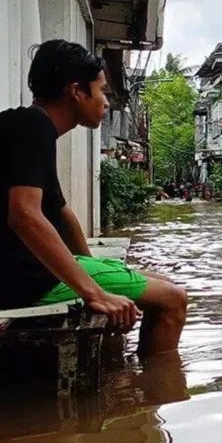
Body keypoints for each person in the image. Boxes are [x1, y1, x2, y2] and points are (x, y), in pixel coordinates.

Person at [0, 40, 188, 356]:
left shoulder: (26, 126)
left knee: (157, 280)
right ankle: (154, 392)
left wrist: (90, 265)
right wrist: (94, 293)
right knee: (173, 299)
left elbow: (61, 211)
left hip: (19, 272)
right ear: (76, 91)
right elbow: (25, 217)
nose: (104, 102)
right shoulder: (33, 128)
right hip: (20, 282)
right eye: (101, 91)